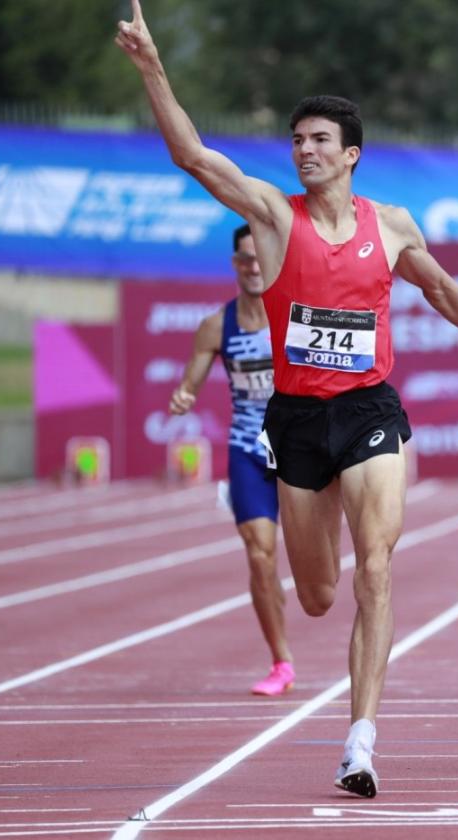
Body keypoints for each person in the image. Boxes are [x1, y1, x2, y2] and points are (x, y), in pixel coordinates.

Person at [117, 1, 458, 799]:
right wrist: (152, 68)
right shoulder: (275, 217)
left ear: (351, 156)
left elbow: (445, 292)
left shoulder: (393, 227)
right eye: (296, 141)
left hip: (371, 409)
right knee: (316, 594)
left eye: (318, 142)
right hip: (297, 420)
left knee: (376, 569)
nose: (302, 152)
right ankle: (325, 628)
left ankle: (360, 740)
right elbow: (193, 157)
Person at [169, 224, 294, 695]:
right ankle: (281, 661)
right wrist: (183, 395)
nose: (255, 266)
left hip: (299, 450)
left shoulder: (293, 314)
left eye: (260, 256)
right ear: (235, 265)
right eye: (245, 259)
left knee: (315, 577)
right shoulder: (216, 326)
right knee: (260, 556)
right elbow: (191, 382)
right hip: (248, 449)